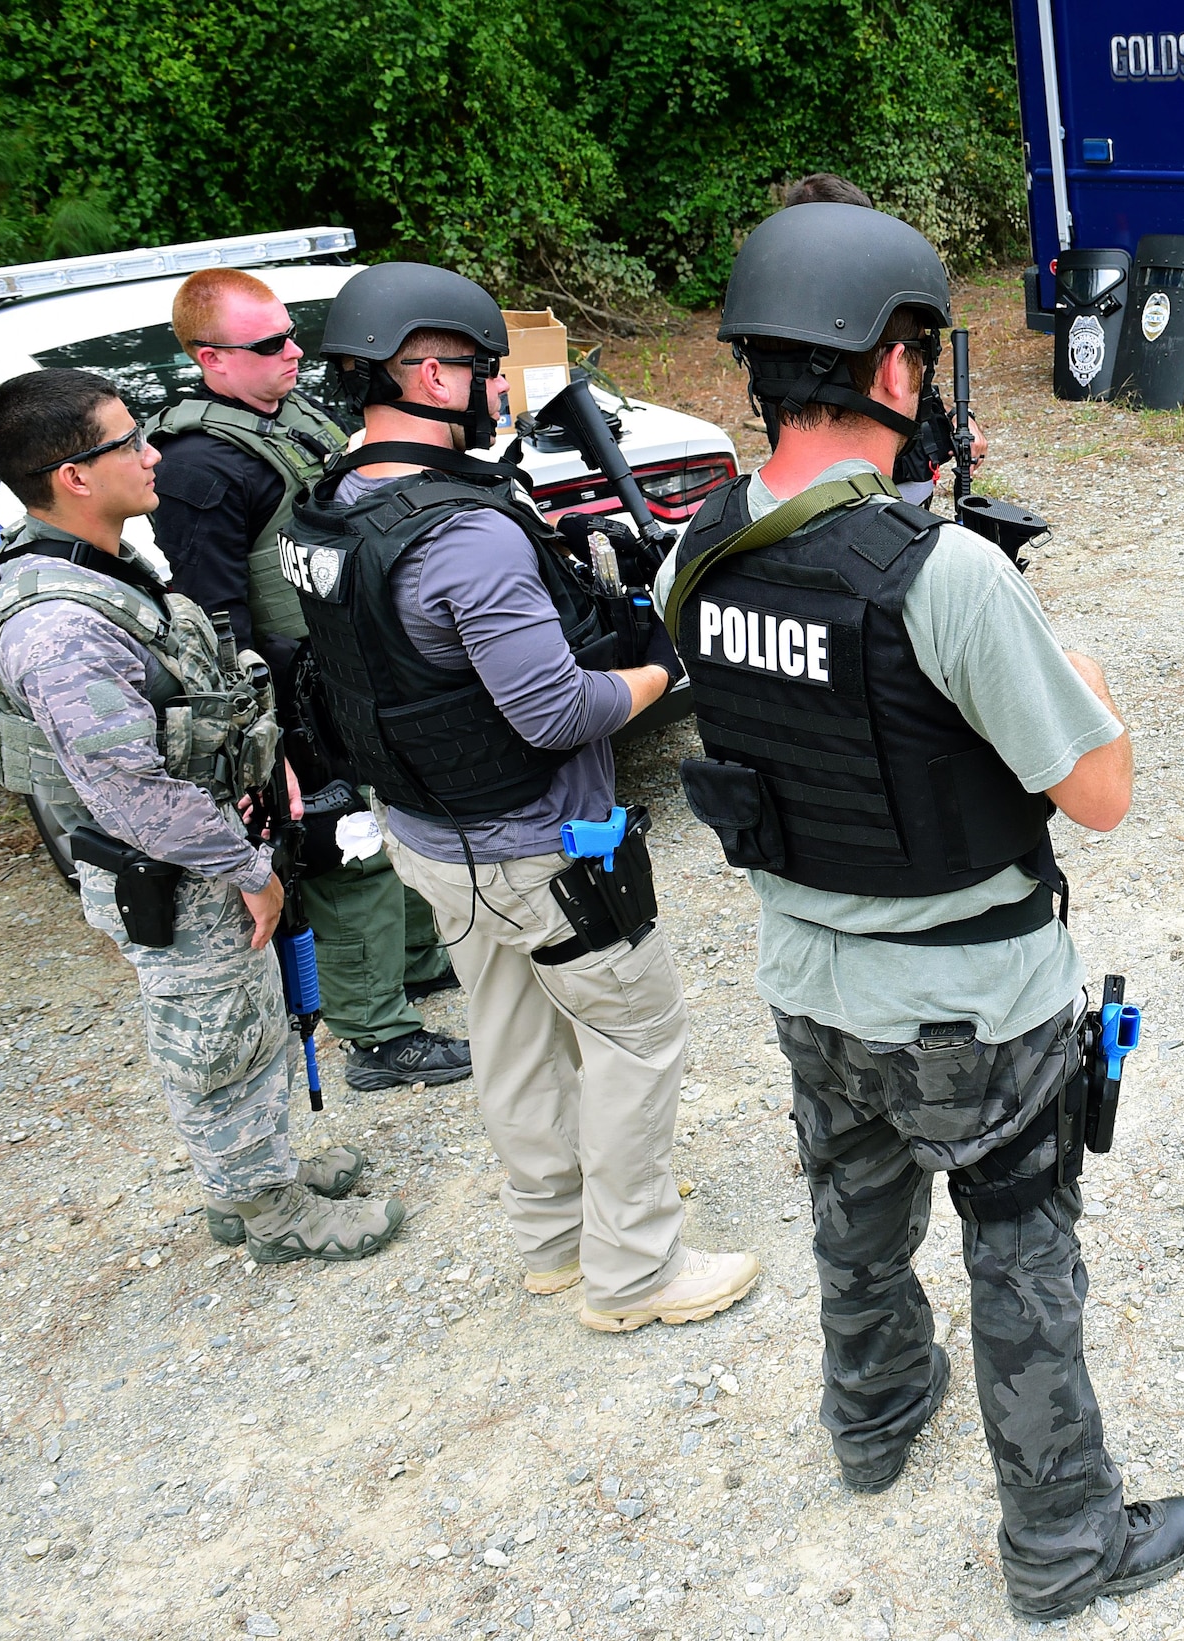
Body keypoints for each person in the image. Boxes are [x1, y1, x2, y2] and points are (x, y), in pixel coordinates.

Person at [659, 201, 1184, 1619]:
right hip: (973, 1000)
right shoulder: (945, 573)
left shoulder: (696, 552)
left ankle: (876, 1415)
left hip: (807, 978)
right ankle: (1065, 1542)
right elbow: (1100, 796)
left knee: (855, 1211)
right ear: (897, 366)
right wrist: (1080, 673)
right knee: (1020, 1251)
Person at [281, 263, 758, 1329]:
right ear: (431, 373)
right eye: (484, 369)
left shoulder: (328, 510)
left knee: (509, 1036)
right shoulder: (465, 533)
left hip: (428, 835)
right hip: (536, 846)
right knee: (637, 1039)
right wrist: (659, 672)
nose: (498, 389)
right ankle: (635, 1272)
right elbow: (551, 713)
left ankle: (554, 1242)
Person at [0, 368, 405, 1261]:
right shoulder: (57, 627)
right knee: (217, 1042)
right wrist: (251, 873)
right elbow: (131, 792)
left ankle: (257, 1177)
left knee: (247, 1021)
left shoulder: (101, 558)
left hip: (206, 849)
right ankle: (270, 1215)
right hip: (181, 870)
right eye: (127, 440)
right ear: (74, 475)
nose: (152, 451)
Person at [147, 267, 471, 1097]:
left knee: (394, 819)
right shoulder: (200, 470)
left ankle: (415, 964)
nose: (295, 352)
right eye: (270, 345)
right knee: (347, 851)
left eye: (292, 334)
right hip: (292, 699)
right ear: (210, 359)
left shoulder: (286, 416)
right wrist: (266, 746)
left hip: (354, 672)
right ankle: (376, 1033)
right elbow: (215, 621)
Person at [779, 172, 988, 505]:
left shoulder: (879, 289)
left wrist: (953, 418)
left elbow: (909, 372)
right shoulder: (783, 313)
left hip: (901, 480)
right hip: (843, 493)